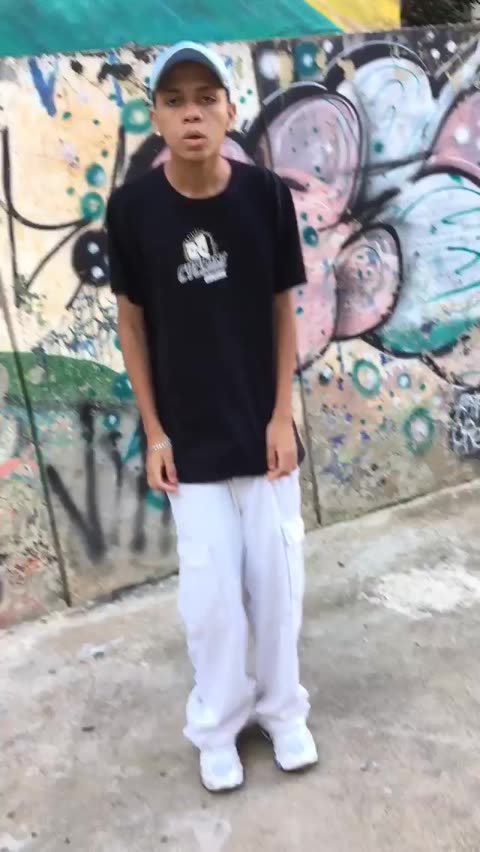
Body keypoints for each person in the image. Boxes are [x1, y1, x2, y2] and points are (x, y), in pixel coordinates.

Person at [106, 41, 318, 792]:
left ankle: (284, 712)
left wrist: (281, 415)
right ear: (156, 117)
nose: (191, 113)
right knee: (213, 600)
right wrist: (154, 431)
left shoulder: (266, 197)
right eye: (174, 100)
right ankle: (218, 726)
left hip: (262, 433)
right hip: (188, 444)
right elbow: (132, 325)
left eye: (205, 98)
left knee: (278, 585)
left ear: (230, 110)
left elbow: (283, 308)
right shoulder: (133, 210)